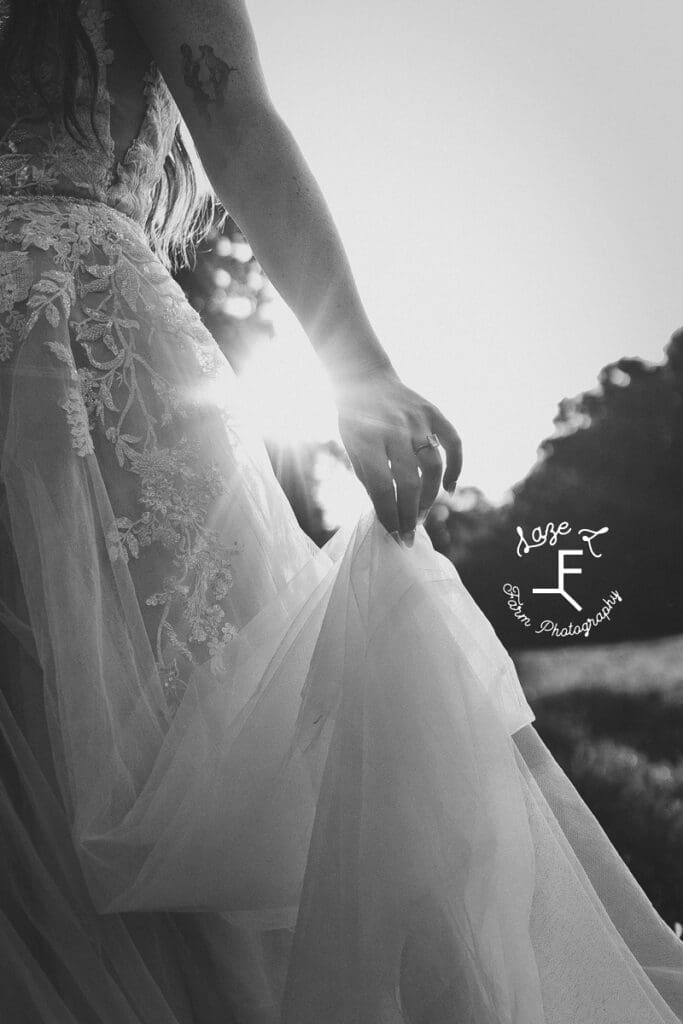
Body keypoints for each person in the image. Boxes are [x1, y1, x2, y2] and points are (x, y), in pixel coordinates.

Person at [0, 1, 681, 1022]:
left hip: (77, 379)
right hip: (73, 352)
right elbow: (232, 122)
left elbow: (232, 121)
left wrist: (357, 372)